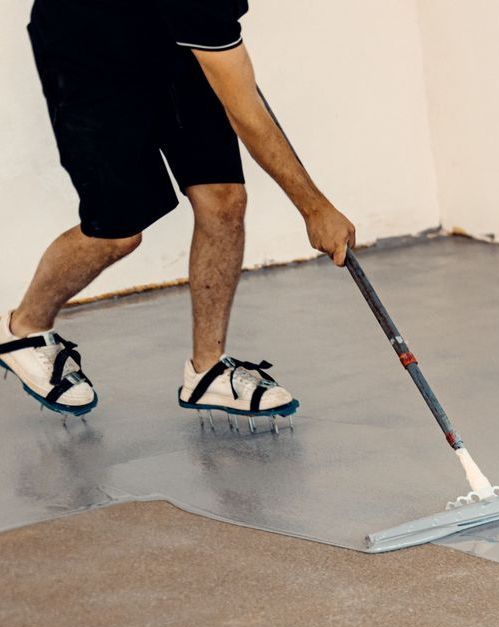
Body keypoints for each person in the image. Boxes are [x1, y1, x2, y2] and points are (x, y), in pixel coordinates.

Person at [0, 1, 356, 422]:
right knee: (118, 228)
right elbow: (246, 114)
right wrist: (315, 209)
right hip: (86, 45)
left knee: (224, 199)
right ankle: (24, 330)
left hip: (169, 38)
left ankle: (207, 372)